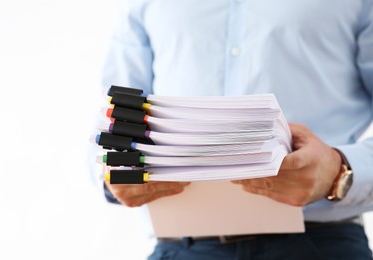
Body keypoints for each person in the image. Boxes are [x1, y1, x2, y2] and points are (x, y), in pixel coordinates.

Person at [100, 1, 373, 259]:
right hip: (183, 246)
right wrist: (112, 175)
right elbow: (112, 113)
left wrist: (341, 170)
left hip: (321, 244)